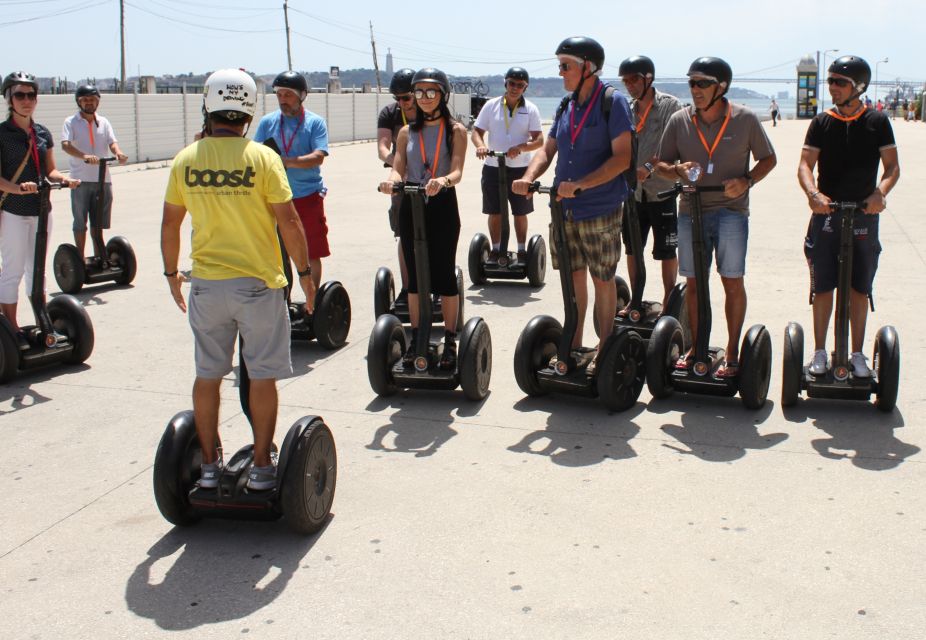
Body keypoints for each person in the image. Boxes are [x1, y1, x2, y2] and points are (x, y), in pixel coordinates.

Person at [161, 68, 315, 491]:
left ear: (208, 107)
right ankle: (263, 466)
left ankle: (209, 467)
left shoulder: (186, 159)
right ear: (248, 114)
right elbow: (290, 222)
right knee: (261, 376)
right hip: (259, 284)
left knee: (208, 375)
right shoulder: (263, 159)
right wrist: (304, 275)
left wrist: (172, 273)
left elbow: (170, 224)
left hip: (208, 284)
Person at [513, 36, 634, 373]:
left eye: (566, 65)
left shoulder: (613, 102)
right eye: (560, 65)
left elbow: (623, 158)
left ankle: (606, 349)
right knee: (573, 276)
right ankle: (575, 344)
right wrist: (529, 176)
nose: (560, 71)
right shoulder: (566, 105)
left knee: (602, 278)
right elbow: (547, 149)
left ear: (588, 67)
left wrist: (582, 184)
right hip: (564, 208)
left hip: (600, 207)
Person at [654, 57, 777, 377]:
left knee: (732, 281)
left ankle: (734, 351)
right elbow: (661, 165)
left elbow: (768, 159)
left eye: (702, 83)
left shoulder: (745, 119)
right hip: (690, 210)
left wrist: (747, 180)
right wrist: (677, 171)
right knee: (693, 284)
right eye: (692, 82)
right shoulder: (680, 120)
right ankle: (696, 346)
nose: (694, 89)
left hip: (730, 212)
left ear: (721, 87)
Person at [797, 55, 899, 377]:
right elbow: (804, 165)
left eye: (839, 82)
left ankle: (857, 354)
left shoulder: (877, 122)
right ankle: (818, 352)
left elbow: (892, 168)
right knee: (823, 285)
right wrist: (813, 195)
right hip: (827, 212)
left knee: (858, 287)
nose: (832, 87)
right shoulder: (821, 122)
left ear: (859, 87)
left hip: (864, 214)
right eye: (830, 81)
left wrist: (879, 194)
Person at [378, 68, 467, 370]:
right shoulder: (406, 132)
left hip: (442, 204)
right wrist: (391, 180)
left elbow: (457, 171)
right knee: (414, 281)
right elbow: (397, 166)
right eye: (419, 92)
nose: (425, 98)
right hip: (412, 204)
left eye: (431, 92)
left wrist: (442, 181)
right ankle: (417, 338)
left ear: (443, 94)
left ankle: (451, 340)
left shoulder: (456, 130)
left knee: (443, 277)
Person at [0, 71, 79, 344]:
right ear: (9, 98)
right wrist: (18, 188)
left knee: (38, 270)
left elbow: (51, 170)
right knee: (13, 270)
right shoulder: (2, 133)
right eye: (19, 95)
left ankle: (42, 322)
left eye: (31, 95)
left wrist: (65, 180)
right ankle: (10, 328)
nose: (26, 100)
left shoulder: (42, 132)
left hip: (42, 211)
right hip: (13, 211)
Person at [617, 55, 682, 311]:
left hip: (661, 190)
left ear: (648, 78)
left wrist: (647, 168)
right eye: (625, 80)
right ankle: (635, 298)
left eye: (634, 79)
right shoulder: (627, 109)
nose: (629, 85)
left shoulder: (669, 105)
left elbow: (670, 145)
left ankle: (669, 300)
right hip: (633, 193)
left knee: (667, 250)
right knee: (632, 248)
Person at [254, 71, 329, 290]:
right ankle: (282, 299)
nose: (283, 99)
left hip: (307, 196)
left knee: (311, 251)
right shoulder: (268, 122)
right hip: (274, 198)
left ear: (301, 96)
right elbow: (256, 153)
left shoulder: (315, 123)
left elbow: (319, 156)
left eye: (288, 94)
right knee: (278, 252)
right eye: (279, 94)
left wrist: (285, 162)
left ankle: (312, 301)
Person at [471, 67, 543, 264]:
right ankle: (495, 250)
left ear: (525, 87)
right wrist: (481, 146)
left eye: (520, 85)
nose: (515, 88)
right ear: (505, 83)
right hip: (493, 166)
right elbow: (476, 132)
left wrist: (521, 147)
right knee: (494, 211)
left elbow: (539, 141)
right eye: (512, 83)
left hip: (520, 169)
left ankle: (521, 250)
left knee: (520, 211)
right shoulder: (491, 105)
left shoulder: (531, 109)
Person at [61, 84, 129, 262]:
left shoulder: (104, 122)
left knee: (98, 222)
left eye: (92, 100)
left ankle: (100, 256)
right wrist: (84, 156)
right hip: (80, 179)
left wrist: (118, 153)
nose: (89, 103)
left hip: (102, 179)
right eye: (85, 100)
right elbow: (65, 145)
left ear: (97, 101)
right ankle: (80, 259)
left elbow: (112, 142)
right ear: (79, 102)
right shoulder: (71, 122)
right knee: (80, 222)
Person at [377, 68, 417, 296]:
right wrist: (397, 164)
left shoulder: (428, 111)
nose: (402, 103)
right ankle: (407, 286)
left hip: (428, 179)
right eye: (398, 99)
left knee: (431, 233)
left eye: (407, 98)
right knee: (404, 234)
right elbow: (383, 147)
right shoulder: (389, 114)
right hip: (400, 181)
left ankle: (434, 284)